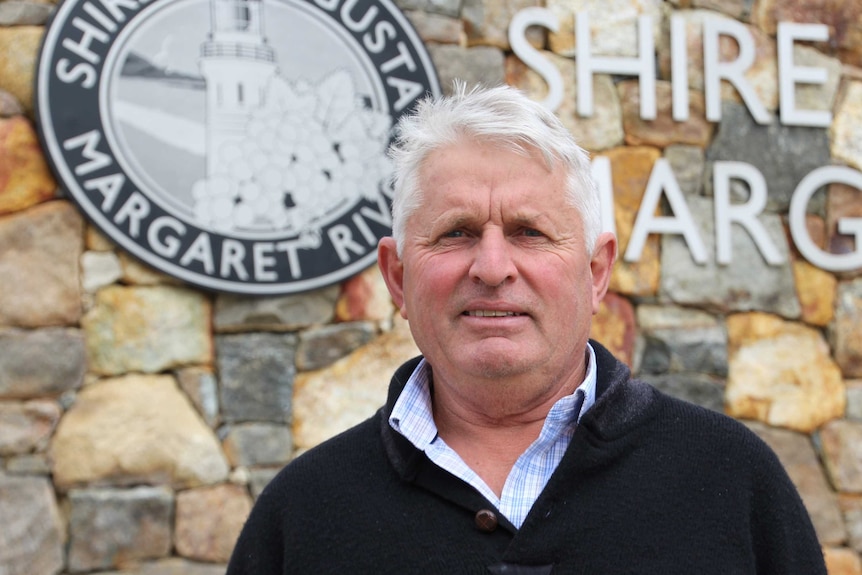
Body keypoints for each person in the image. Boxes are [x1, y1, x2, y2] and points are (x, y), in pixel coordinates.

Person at [226, 83, 826, 574]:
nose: (491, 268)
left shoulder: (731, 483)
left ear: (596, 273)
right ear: (397, 277)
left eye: (529, 233)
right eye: (455, 232)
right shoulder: (302, 515)